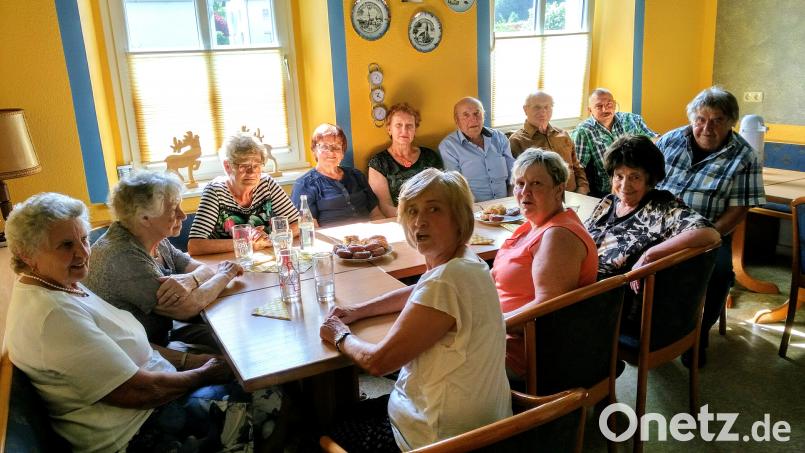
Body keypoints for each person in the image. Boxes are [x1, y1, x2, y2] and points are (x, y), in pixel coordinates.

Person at [3, 192, 281, 452]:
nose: (83, 253)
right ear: (27, 254)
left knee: (255, 370)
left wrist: (198, 363)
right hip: (138, 430)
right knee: (270, 391)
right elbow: (140, 391)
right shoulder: (53, 315)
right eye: (66, 245)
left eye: (84, 239)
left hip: (156, 397)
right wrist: (206, 372)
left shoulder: (61, 283)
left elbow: (124, 345)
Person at [320, 169, 511, 451]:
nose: (419, 222)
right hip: (483, 424)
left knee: (322, 429)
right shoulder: (467, 262)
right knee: (352, 410)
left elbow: (378, 362)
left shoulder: (446, 282)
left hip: (437, 438)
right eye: (411, 211)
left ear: (459, 218)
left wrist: (339, 335)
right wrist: (360, 310)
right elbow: (419, 289)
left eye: (434, 209)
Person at [655, 86, 765, 366]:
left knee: (718, 275)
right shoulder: (669, 140)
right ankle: (653, 332)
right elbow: (646, 180)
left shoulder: (744, 157)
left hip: (709, 232)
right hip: (658, 227)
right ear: (692, 119)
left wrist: (712, 236)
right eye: (701, 119)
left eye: (717, 120)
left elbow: (739, 208)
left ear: (731, 122)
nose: (707, 127)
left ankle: (696, 334)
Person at [86, 171, 244, 351]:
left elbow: (201, 268)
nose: (183, 215)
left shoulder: (155, 240)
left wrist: (192, 279)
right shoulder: (122, 257)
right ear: (145, 218)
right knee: (234, 350)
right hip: (141, 354)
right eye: (174, 209)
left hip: (163, 334)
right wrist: (226, 273)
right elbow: (186, 307)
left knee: (238, 336)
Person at [491, 149, 598, 378]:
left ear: (559, 189)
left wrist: (488, 328)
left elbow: (546, 309)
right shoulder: (530, 225)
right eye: (519, 183)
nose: (524, 192)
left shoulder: (558, 236)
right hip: (500, 330)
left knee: (433, 359)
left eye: (536, 183)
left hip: (523, 349)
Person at [584, 135, 721, 278]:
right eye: (619, 176)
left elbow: (709, 233)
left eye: (635, 177)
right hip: (578, 275)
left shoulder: (662, 208)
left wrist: (649, 255)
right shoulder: (608, 202)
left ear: (650, 179)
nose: (624, 186)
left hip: (602, 291)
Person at [188, 132, 299, 255]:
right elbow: (195, 245)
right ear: (227, 166)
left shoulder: (266, 183)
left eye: (256, 165)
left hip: (263, 258)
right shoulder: (215, 191)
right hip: (225, 263)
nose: (251, 172)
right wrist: (247, 243)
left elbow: (298, 223)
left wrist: (270, 238)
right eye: (244, 166)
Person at [571, 88, 659, 198]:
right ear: (590, 110)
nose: (605, 109)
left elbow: (656, 141)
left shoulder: (632, 119)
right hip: (611, 191)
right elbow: (578, 167)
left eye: (609, 104)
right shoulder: (583, 132)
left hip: (642, 183)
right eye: (599, 106)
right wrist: (582, 191)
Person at [291, 123, 384, 227]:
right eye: (324, 146)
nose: (331, 152)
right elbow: (311, 230)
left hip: (368, 238)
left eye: (336, 146)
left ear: (343, 152)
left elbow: (376, 214)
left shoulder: (356, 175)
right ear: (314, 150)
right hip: (334, 240)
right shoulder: (304, 185)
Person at [368, 102, 444, 217]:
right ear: (389, 129)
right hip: (398, 220)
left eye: (409, 126)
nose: (404, 131)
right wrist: (413, 219)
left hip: (433, 216)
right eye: (398, 125)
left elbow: (441, 195)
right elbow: (385, 206)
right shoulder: (378, 163)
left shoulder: (430, 156)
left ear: (415, 130)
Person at [509, 91, 590, 194]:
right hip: (541, 201)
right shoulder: (517, 141)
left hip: (574, 195)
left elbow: (577, 167)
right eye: (537, 107)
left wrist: (582, 188)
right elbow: (516, 182)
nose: (543, 112)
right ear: (525, 109)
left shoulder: (563, 135)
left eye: (547, 107)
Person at [439, 96, 515, 202]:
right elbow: (456, 188)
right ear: (457, 120)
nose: (473, 119)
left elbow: (514, 176)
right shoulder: (449, 146)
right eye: (466, 115)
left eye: (477, 113)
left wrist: (511, 203)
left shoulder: (499, 138)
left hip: (506, 206)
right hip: (474, 209)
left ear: (483, 116)